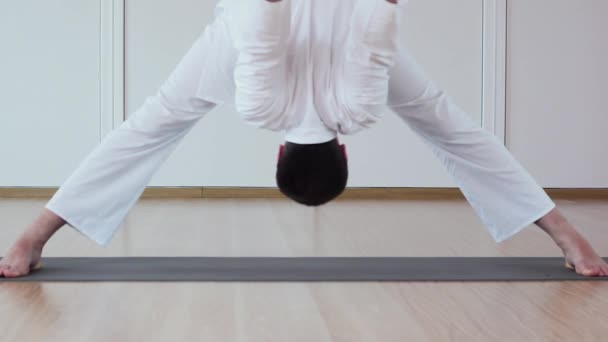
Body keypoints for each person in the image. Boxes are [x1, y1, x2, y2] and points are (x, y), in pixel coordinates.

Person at [1, 0, 606, 278]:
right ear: (278, 153)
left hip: (352, 19)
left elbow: (460, 135)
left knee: (441, 117)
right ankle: (31, 240)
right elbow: (137, 139)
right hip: (259, 30)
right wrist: (31, 237)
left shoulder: (362, 93)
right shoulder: (242, 81)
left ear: (344, 150)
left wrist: (569, 235)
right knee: (154, 123)